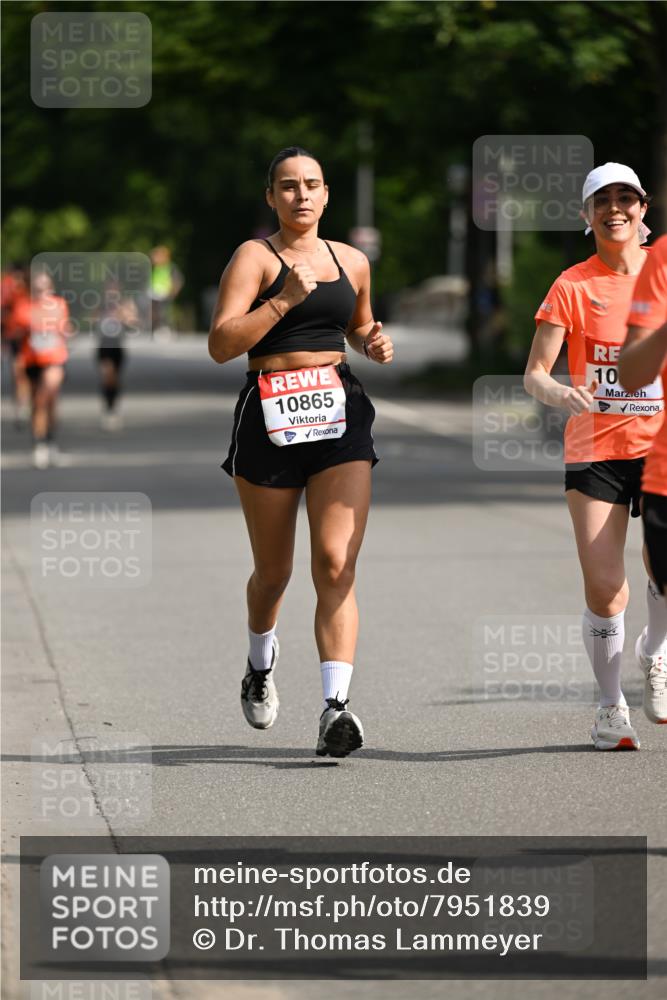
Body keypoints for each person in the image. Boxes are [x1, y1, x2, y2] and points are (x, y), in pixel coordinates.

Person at [208, 146, 393, 757]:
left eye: (312, 185)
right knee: (274, 573)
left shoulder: (352, 260)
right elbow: (221, 344)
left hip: (338, 409)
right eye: (288, 187)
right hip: (268, 411)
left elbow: (359, 324)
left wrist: (373, 340)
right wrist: (283, 300)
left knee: (337, 563)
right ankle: (260, 662)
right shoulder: (254, 258)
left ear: (327, 193)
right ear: (271, 197)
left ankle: (335, 709)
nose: (301, 196)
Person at [524, 163, 663, 751]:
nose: (615, 209)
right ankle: (612, 708)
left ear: (643, 209)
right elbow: (535, 374)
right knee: (606, 587)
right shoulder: (572, 286)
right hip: (596, 449)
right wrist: (561, 392)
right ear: (586, 216)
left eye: (625, 199)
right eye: (601, 200)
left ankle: (654, 652)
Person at [619, 234, 667, 723]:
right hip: (629, 453)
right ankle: (655, 646)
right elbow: (630, 373)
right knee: (656, 576)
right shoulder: (664, 260)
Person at [12, 271, 71, 468]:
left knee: (46, 397)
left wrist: (66, 331)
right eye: (38, 288)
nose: (42, 292)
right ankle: (40, 444)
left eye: (46, 288)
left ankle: (50, 441)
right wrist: (28, 328)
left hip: (55, 358)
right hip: (31, 359)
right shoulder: (23, 306)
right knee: (37, 404)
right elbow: (15, 331)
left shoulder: (59, 305)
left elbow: (65, 328)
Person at [96, 279, 139, 430]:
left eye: (114, 290)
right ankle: (108, 408)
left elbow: (134, 322)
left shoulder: (125, 304)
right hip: (103, 347)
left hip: (117, 347)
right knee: (107, 376)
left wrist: (122, 315)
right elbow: (92, 320)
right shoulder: (101, 304)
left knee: (115, 379)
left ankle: (113, 406)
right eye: (109, 290)